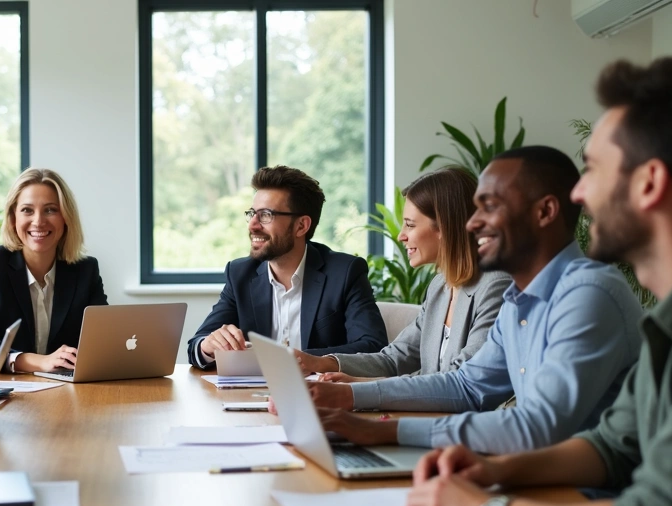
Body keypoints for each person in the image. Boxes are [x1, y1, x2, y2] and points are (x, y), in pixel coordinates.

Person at [407, 56, 672, 506]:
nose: (579, 194)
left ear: (650, 183)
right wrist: (492, 471)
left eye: (592, 170)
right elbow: (613, 446)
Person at [306, 147, 643, 455]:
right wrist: (352, 397)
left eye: (491, 207)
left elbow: (541, 428)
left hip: (584, 497)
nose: (473, 223)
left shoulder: (588, 293)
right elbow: (467, 386)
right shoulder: (518, 299)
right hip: (535, 475)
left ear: (545, 212)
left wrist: (385, 430)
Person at [295, 166, 512, 380]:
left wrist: (360, 389)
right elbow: (394, 359)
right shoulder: (440, 287)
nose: (401, 236)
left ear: (444, 227)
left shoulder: (495, 287)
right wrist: (322, 362)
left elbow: (458, 380)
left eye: (410, 225)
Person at [186, 166, 387, 369]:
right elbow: (195, 346)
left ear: (301, 226)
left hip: (320, 394)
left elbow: (373, 347)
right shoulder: (240, 274)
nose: (252, 225)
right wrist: (207, 346)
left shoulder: (345, 272)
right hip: (248, 396)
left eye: (265, 215)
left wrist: (298, 360)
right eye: (252, 214)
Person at [0, 168, 107, 373]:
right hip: (12, 394)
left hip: (69, 391)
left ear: (66, 218)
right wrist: (42, 362)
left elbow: (102, 339)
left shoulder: (86, 270)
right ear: (13, 217)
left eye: (50, 209)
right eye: (27, 210)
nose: (39, 221)